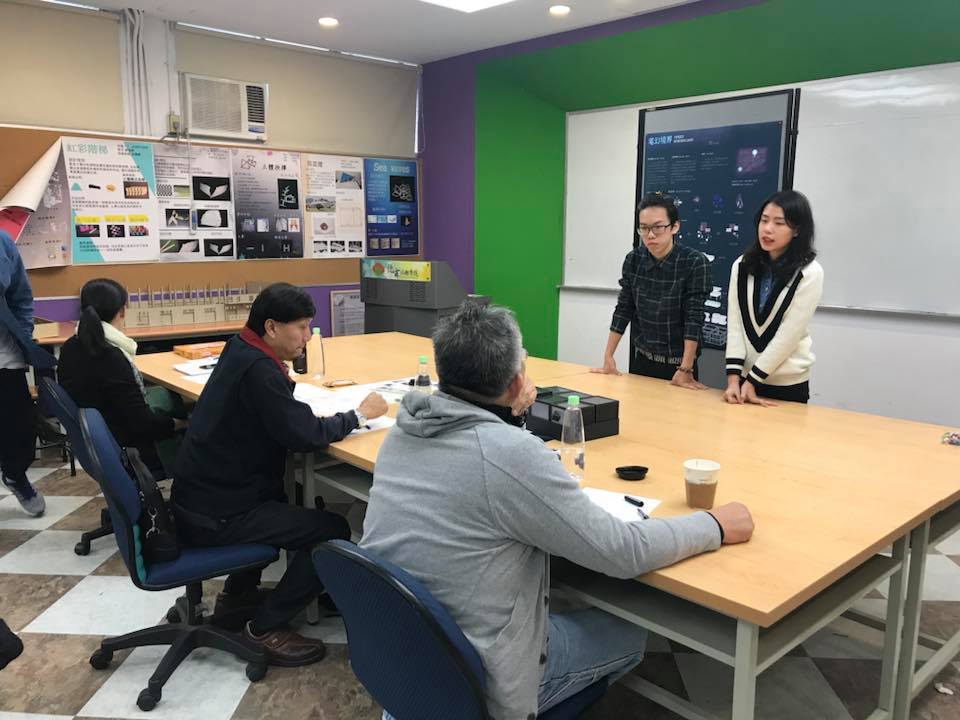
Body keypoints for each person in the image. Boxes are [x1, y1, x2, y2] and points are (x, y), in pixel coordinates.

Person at [361, 302, 754, 720]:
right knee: (632, 634)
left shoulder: (404, 430)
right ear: (517, 381)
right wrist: (713, 525)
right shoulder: (510, 455)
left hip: (403, 657)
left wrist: (510, 415)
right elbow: (622, 551)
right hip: (481, 681)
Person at [171, 282, 387, 667]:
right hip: (220, 513)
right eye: (301, 327)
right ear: (271, 327)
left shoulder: (241, 347)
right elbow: (304, 435)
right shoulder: (259, 371)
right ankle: (264, 627)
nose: (308, 336)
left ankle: (237, 597)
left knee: (282, 497)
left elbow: (284, 419)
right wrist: (358, 415)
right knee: (331, 529)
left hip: (201, 498)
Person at [58, 279, 186, 478]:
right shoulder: (111, 356)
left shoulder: (71, 346)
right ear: (122, 311)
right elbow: (142, 423)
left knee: (166, 396)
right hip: (130, 447)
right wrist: (182, 423)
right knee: (195, 418)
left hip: (102, 439)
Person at [593, 192, 711, 388]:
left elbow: (694, 318)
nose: (650, 235)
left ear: (674, 226)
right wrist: (608, 356)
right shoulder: (634, 260)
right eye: (644, 228)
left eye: (657, 227)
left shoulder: (694, 262)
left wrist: (685, 369)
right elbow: (624, 308)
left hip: (679, 366)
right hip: (642, 361)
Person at [723, 190, 823, 405]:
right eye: (764, 220)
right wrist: (733, 379)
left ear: (797, 230)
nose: (768, 229)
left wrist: (753, 380)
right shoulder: (741, 265)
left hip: (787, 384)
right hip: (743, 381)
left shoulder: (810, 272)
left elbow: (789, 335)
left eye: (779, 223)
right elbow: (735, 325)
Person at [0, 229, 55, 517]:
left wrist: (24, 332)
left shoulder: (2, 242)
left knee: (20, 432)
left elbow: (20, 295)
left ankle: (14, 475)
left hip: (5, 357)